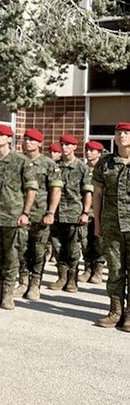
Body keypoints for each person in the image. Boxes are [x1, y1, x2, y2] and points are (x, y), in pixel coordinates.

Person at [0, 124, 37, 310]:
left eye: (1, 134)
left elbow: (31, 189)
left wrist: (25, 213)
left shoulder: (21, 161)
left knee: (11, 255)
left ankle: (9, 293)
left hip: (13, 215)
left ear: (9, 139)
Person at [92, 122, 130, 330]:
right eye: (118, 133)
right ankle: (116, 311)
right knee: (115, 270)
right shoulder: (105, 164)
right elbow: (97, 194)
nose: (122, 136)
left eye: (126, 132)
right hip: (111, 224)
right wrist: (97, 222)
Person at [17, 129, 61, 300]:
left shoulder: (49, 164)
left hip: (40, 214)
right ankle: (22, 282)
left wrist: (51, 212)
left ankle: (35, 284)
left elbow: (55, 190)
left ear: (40, 143)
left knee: (38, 250)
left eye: (32, 140)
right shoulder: (18, 161)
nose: (28, 143)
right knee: (20, 249)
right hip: (19, 213)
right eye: (26, 139)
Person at [49, 134, 92, 293]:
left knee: (73, 249)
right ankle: (61, 277)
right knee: (57, 247)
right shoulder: (55, 166)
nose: (64, 147)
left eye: (68, 145)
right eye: (62, 144)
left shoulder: (82, 167)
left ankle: (72, 280)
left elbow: (87, 191)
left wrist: (85, 212)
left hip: (74, 213)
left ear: (75, 147)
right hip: (57, 213)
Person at [80, 140, 106, 284]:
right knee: (85, 241)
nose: (88, 153)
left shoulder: (103, 169)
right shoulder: (82, 168)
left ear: (99, 153)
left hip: (99, 211)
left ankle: (98, 270)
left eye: (92, 150)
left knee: (99, 241)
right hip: (84, 211)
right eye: (87, 150)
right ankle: (88, 268)